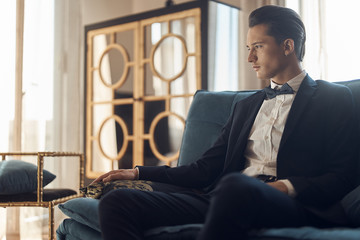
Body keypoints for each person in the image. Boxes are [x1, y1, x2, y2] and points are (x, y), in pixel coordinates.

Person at [94, 5, 358, 240]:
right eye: (248, 48)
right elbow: (203, 169)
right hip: (226, 199)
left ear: (287, 46)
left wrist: (283, 186)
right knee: (117, 201)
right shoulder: (245, 106)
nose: (249, 58)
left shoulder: (332, 98)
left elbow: (344, 174)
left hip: (292, 203)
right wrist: (138, 172)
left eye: (258, 47)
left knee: (235, 185)